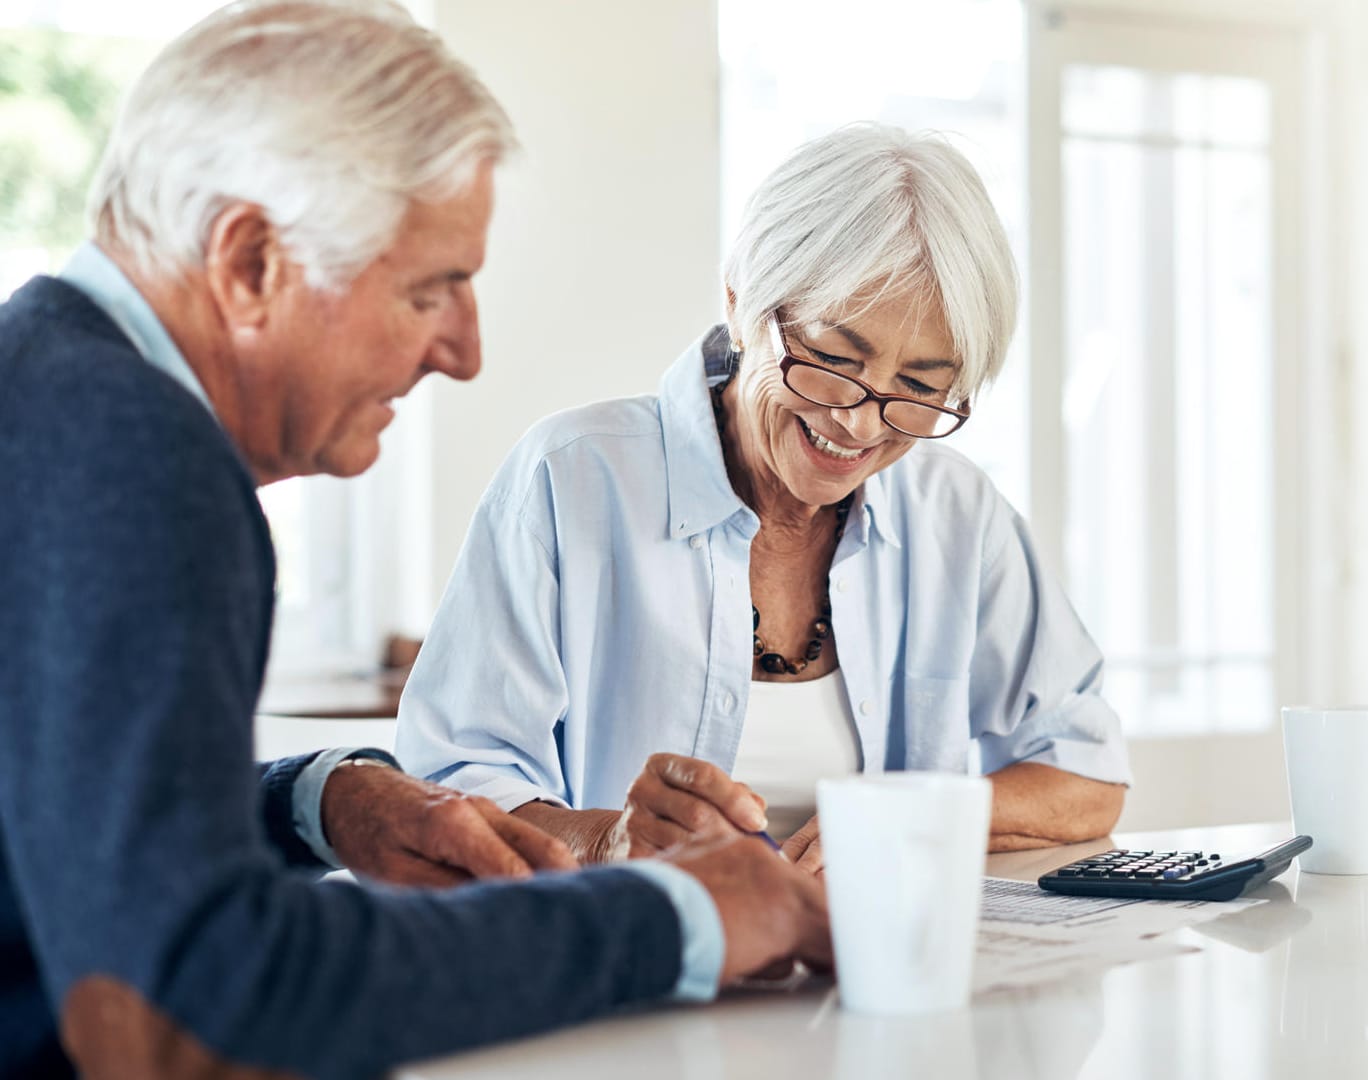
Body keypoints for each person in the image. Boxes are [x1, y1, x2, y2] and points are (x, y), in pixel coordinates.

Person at [0, 3, 829, 1077]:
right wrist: (672, 918)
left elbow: (56, 828)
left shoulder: (44, 378)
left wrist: (318, 799)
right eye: (429, 289)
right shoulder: (146, 461)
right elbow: (197, 1003)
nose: (465, 352)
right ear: (250, 262)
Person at [396, 124, 1133, 871]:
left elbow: (1085, 770)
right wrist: (605, 841)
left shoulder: (956, 514)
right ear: (743, 303)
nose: (859, 421)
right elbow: (448, 787)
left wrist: (911, 817)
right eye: (833, 358)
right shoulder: (571, 481)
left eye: (917, 388)